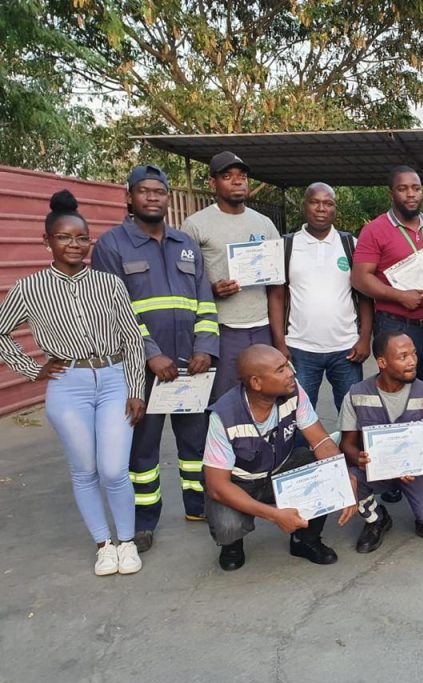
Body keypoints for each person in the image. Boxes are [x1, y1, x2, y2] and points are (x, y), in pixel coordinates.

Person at [0, 190, 146, 576]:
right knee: (84, 470)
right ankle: (104, 545)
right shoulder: (29, 289)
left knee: (114, 469)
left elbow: (132, 338)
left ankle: (127, 542)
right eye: (64, 237)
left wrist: (136, 389)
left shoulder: (109, 284)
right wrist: (32, 369)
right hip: (68, 384)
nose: (74, 244)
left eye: (82, 238)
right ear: (46, 241)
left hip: (114, 379)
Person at [92, 165, 218, 552]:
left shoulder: (185, 243)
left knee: (196, 443)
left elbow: (204, 301)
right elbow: (113, 310)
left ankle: (199, 506)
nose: (152, 197)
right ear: (129, 197)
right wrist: (150, 354)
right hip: (142, 369)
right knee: (142, 448)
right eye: (144, 191)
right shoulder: (112, 245)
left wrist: (205, 347)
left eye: (159, 191)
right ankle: (144, 520)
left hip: (191, 366)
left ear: (167, 197)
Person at [203, 345, 356, 571]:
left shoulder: (294, 392)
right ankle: (232, 545)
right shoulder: (223, 416)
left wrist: (343, 476)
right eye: (280, 370)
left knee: (323, 468)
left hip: (280, 469)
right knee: (228, 525)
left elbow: (321, 441)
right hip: (240, 483)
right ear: (256, 383)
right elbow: (217, 486)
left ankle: (305, 540)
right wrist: (275, 516)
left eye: (288, 365)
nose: (291, 373)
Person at [267, 182, 372, 419]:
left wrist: (365, 338)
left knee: (352, 415)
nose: (321, 208)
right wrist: (279, 343)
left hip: (346, 348)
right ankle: (302, 447)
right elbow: (276, 296)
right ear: (304, 206)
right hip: (300, 348)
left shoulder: (351, 244)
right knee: (298, 416)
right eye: (315, 202)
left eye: (328, 203)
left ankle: (350, 447)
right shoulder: (287, 245)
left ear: (335, 208)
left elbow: (365, 296)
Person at [182, 151, 281, 401]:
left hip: (261, 327)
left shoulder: (264, 224)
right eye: (227, 176)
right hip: (222, 329)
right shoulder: (195, 225)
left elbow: (276, 287)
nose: (237, 181)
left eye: (242, 176)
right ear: (212, 183)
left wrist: (279, 340)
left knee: (264, 397)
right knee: (225, 400)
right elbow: (184, 283)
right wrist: (212, 290)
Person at [339, 331, 423, 553]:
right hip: (373, 469)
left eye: (414, 354)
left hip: (415, 472)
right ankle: (376, 518)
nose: (412, 361)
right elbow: (346, 444)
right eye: (403, 356)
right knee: (345, 480)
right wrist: (358, 458)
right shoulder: (356, 394)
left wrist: (414, 465)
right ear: (382, 362)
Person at [351, 165, 423, 386]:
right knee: (398, 388)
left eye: (416, 188)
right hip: (395, 325)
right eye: (403, 189)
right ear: (391, 194)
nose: (411, 194)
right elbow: (360, 278)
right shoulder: (374, 230)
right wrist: (400, 296)